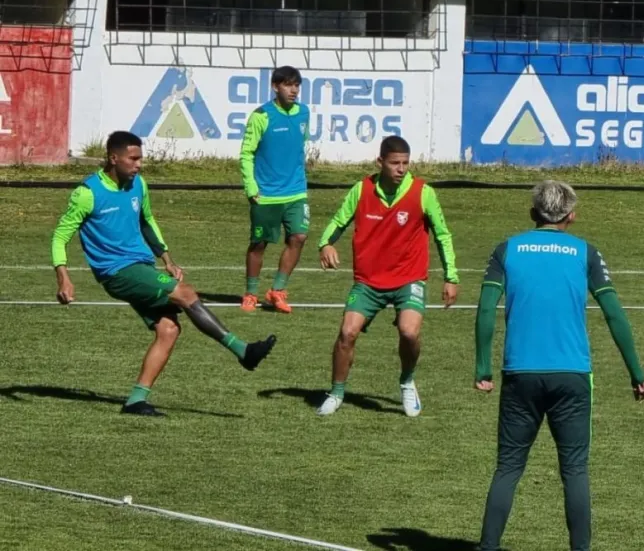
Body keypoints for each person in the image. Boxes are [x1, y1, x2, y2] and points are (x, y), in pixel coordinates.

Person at [473, 180, 644, 551]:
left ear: (532, 213)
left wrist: (482, 367)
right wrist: (637, 373)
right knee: (574, 470)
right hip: (572, 375)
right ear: (572, 216)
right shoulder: (586, 253)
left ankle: (488, 547)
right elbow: (614, 314)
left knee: (508, 467)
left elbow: (486, 309)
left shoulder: (507, 249)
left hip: (520, 374)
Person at [51, 131, 277, 417]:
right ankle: (243, 351)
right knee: (186, 293)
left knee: (168, 329)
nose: (139, 164)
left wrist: (167, 259)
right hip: (117, 272)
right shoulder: (87, 193)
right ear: (113, 158)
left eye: (140, 158)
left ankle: (136, 400)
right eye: (133, 159)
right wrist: (64, 277)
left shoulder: (138, 185)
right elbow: (59, 237)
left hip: (141, 267)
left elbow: (147, 222)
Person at [315, 135, 459, 417]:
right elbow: (339, 221)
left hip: (409, 279)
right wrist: (325, 243)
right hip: (368, 282)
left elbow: (443, 235)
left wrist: (451, 277)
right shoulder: (361, 190)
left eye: (405, 163)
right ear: (380, 162)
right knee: (347, 333)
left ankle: (407, 381)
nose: (401, 169)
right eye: (395, 163)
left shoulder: (423, 193)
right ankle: (336, 392)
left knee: (409, 332)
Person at [240, 65, 311, 314]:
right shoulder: (261, 116)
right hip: (266, 194)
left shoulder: (304, 112)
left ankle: (277, 291)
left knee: (299, 237)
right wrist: (251, 187)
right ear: (275, 86)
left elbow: (300, 145)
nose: (294, 90)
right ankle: (251, 293)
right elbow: (246, 153)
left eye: (297, 85)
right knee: (259, 244)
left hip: (296, 191)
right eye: (288, 85)